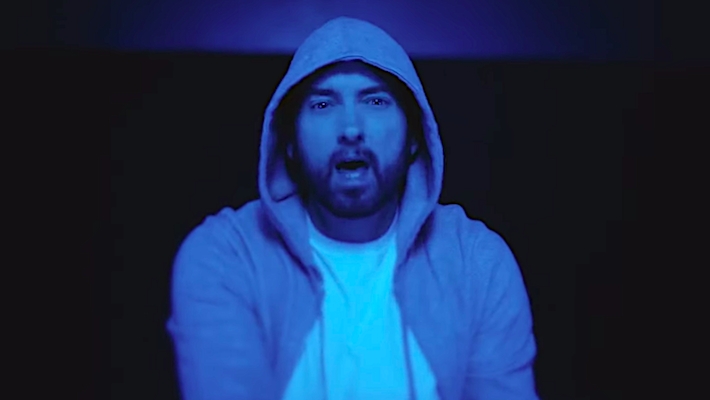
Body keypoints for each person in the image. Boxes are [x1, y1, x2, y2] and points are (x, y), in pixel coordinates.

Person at [166, 16, 539, 400]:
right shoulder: (225, 256)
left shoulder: (476, 261)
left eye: (375, 101)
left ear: (415, 137)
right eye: (322, 104)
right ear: (289, 141)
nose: (350, 129)